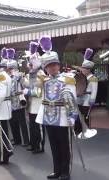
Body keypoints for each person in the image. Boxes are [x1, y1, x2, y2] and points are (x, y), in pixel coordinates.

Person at [35, 35, 78, 180]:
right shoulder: (44, 81)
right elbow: (36, 92)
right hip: (48, 116)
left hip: (62, 116)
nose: (52, 67)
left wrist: (72, 116)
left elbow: (72, 98)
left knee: (64, 146)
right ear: (46, 68)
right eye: (49, 66)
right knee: (53, 145)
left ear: (59, 65)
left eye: (54, 65)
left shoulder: (68, 78)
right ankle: (57, 170)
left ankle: (65, 172)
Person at [22, 41, 46, 154]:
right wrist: (21, 80)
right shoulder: (32, 74)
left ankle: (40, 146)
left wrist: (27, 91)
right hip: (32, 105)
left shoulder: (41, 74)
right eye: (29, 64)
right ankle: (33, 144)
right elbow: (29, 85)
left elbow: (38, 92)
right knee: (32, 127)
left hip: (39, 104)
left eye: (31, 64)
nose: (29, 66)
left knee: (38, 128)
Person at [6, 48, 29, 146]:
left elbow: (26, 85)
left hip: (19, 100)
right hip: (11, 101)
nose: (9, 70)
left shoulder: (20, 75)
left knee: (22, 123)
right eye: (9, 68)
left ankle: (26, 141)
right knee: (12, 122)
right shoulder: (7, 77)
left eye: (11, 68)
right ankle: (16, 139)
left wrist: (21, 78)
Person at [75, 48, 98, 134]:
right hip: (80, 97)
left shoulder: (93, 79)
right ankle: (77, 129)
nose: (82, 70)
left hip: (87, 98)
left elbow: (94, 90)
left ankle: (85, 130)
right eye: (82, 68)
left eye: (84, 69)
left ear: (89, 69)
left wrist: (92, 99)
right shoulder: (80, 77)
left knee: (85, 115)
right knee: (78, 114)